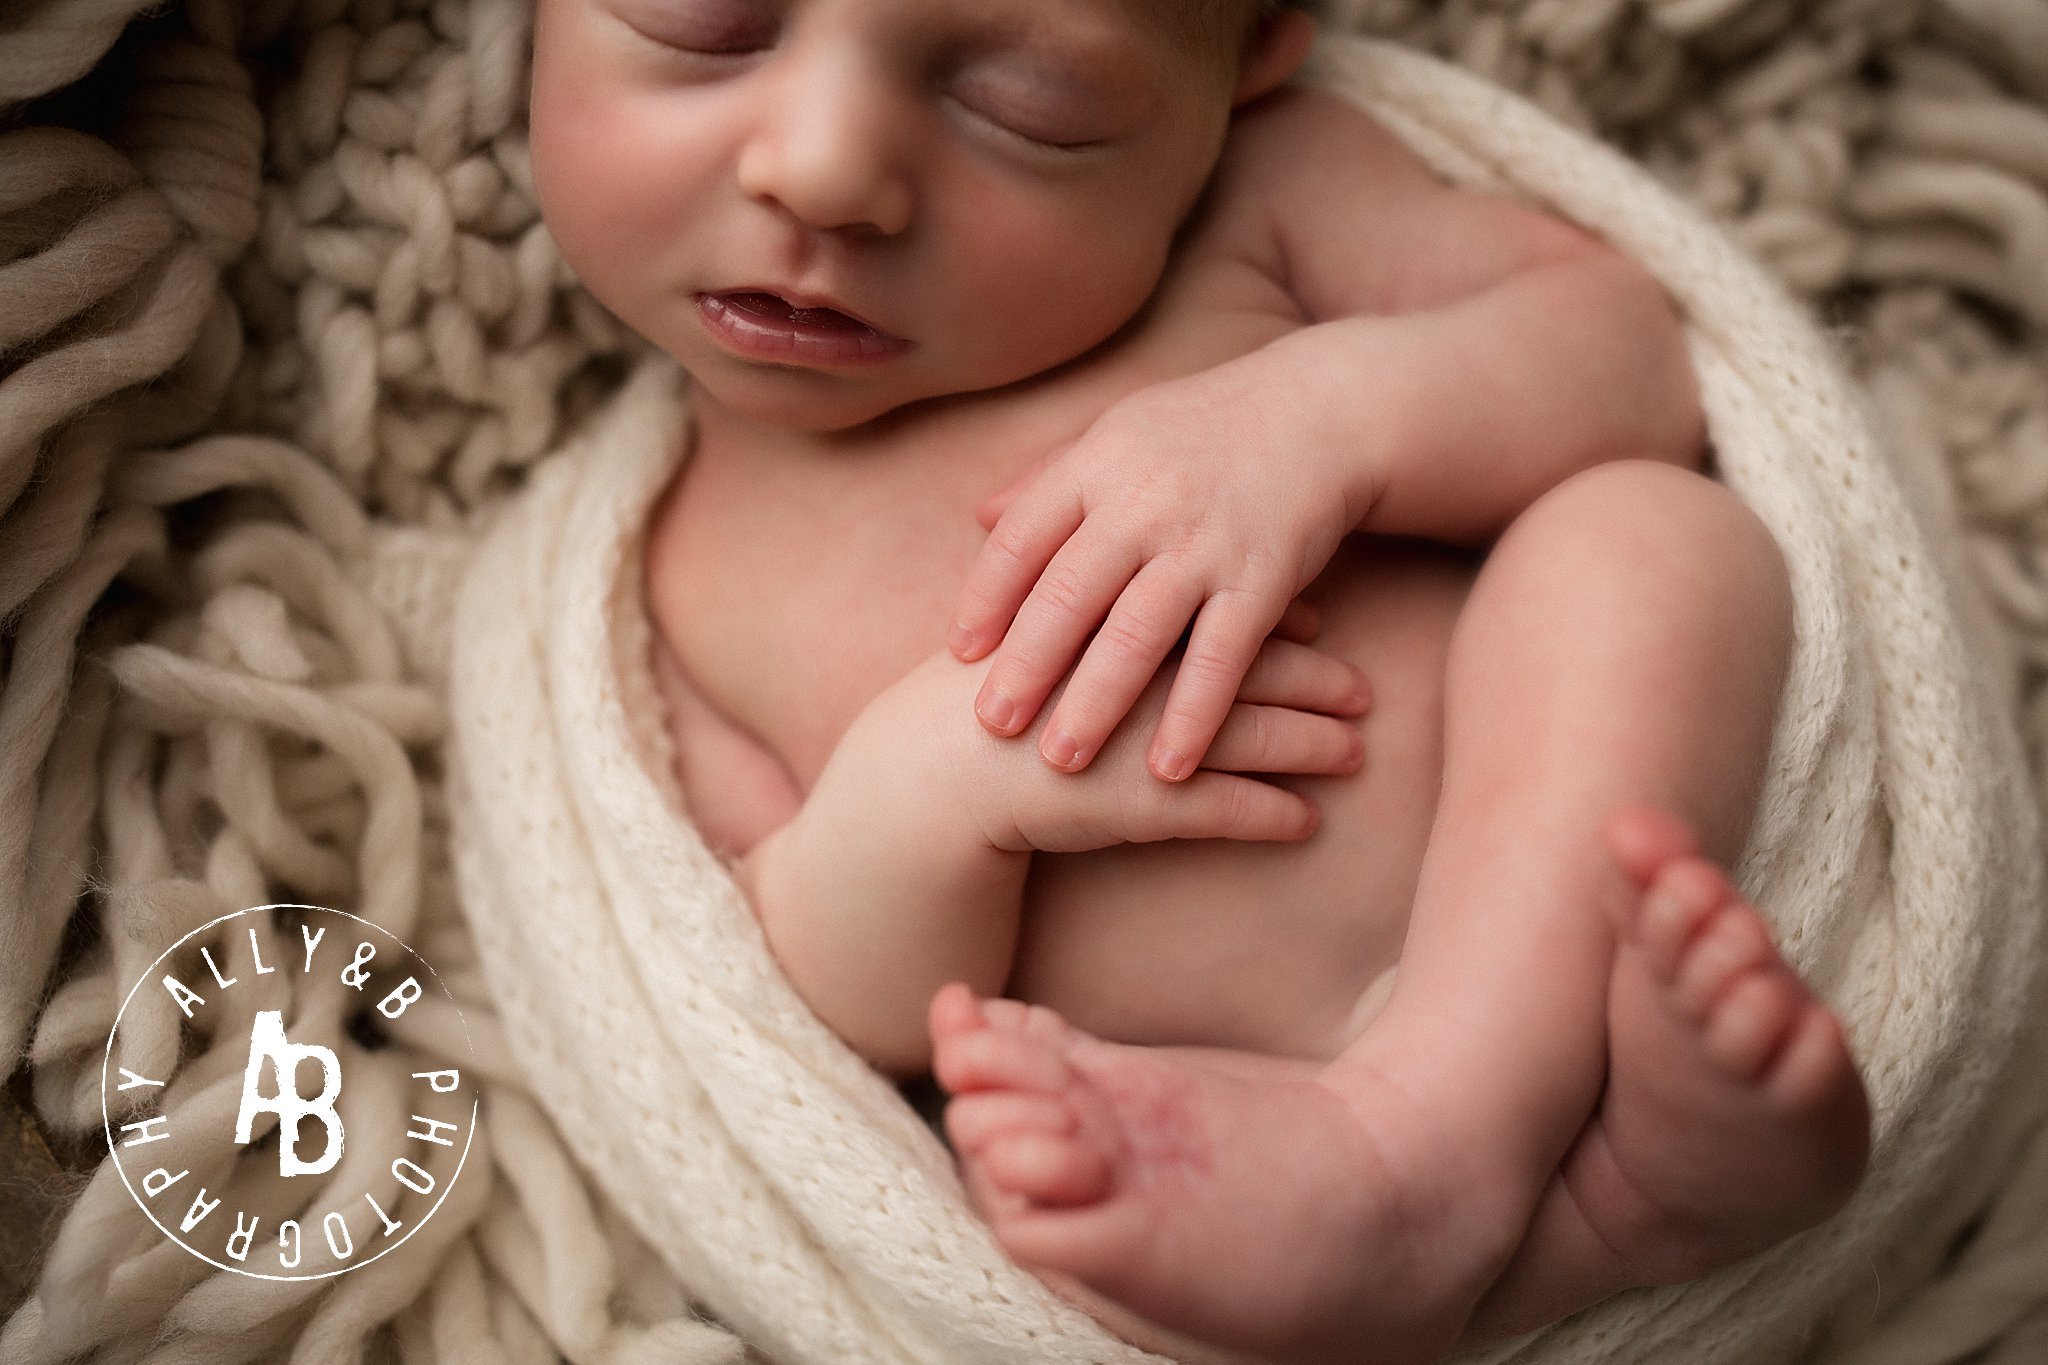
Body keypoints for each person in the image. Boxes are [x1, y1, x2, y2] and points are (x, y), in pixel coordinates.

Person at [526, 0, 1872, 1359]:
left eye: (1027, 102)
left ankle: (1451, 1130)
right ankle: (1612, 1208)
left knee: (1652, 536)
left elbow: (1626, 356)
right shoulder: (671, 574)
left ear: (1247, 60)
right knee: (1031, 1185)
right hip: (1206, 1116)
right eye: (700, 24)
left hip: (1561, 907)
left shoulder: (1270, 190)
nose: (821, 169)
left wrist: (1328, 418)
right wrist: (917, 793)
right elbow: (807, 1005)